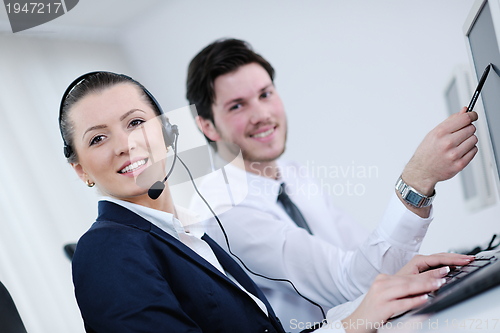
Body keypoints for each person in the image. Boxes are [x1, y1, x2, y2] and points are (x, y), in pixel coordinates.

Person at [60, 71, 474, 332]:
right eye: (98, 138)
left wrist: (365, 310)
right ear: (81, 170)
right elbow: (350, 279)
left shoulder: (190, 234)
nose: (126, 145)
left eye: (135, 123)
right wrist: (351, 325)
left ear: (169, 134)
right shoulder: (106, 251)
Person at [186, 38, 479, 330]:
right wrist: (417, 180)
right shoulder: (223, 211)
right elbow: (354, 285)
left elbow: (364, 262)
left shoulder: (294, 175)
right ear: (207, 126)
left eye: (265, 94)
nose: (261, 115)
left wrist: (427, 270)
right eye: (237, 105)